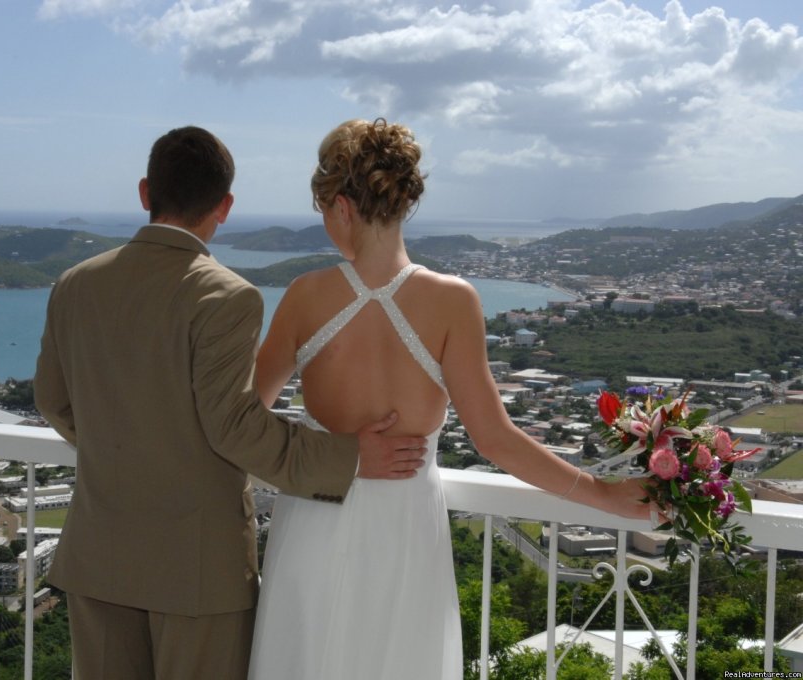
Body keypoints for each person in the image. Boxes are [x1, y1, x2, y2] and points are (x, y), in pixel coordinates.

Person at [247, 118, 653, 679]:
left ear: (340, 206)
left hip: (314, 521)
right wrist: (605, 496)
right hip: (404, 532)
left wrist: (338, 454)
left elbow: (243, 420)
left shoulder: (304, 296)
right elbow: (494, 439)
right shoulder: (453, 300)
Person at [33, 125, 430, 680]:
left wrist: (127, 444)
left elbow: (52, 400)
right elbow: (235, 428)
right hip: (197, 569)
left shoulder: (75, 283)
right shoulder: (225, 294)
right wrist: (349, 457)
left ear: (146, 193)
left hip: (98, 558)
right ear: (224, 206)